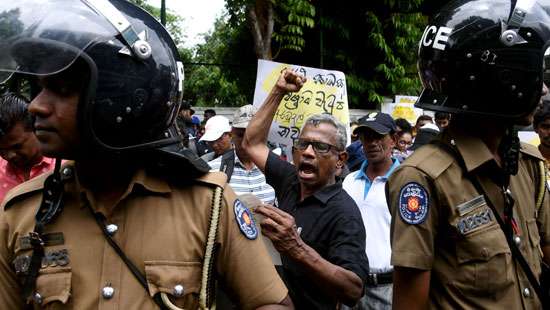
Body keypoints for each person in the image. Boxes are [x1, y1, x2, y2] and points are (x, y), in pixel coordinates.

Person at [0, 1, 293, 309]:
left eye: (61, 89)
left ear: (120, 99)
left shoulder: (208, 204)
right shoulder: (19, 213)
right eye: (39, 88)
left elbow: (271, 302)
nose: (36, 105)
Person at [389, 1, 550, 309]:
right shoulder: (422, 178)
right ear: (502, 78)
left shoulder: (527, 165)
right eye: (532, 73)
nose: (543, 89)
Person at [243, 69, 369, 309]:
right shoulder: (290, 181)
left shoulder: (344, 213)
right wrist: (278, 91)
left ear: (340, 160)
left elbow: (353, 290)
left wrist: (297, 247)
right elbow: (252, 143)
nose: (308, 152)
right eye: (303, 144)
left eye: (320, 147)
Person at [342, 112, 400, 310]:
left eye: (378, 136)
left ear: (393, 140)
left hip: (387, 288)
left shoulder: (405, 183)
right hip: (349, 283)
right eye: (366, 137)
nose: (372, 143)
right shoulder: (349, 181)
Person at [208, 105, 276, 205]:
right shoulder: (213, 170)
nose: (247, 140)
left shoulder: (276, 169)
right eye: (241, 135)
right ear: (232, 135)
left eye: (254, 134)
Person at [0, 93, 56, 203]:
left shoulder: (64, 166)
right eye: (1, 150)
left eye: (17, 146)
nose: (9, 156)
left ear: (36, 129)